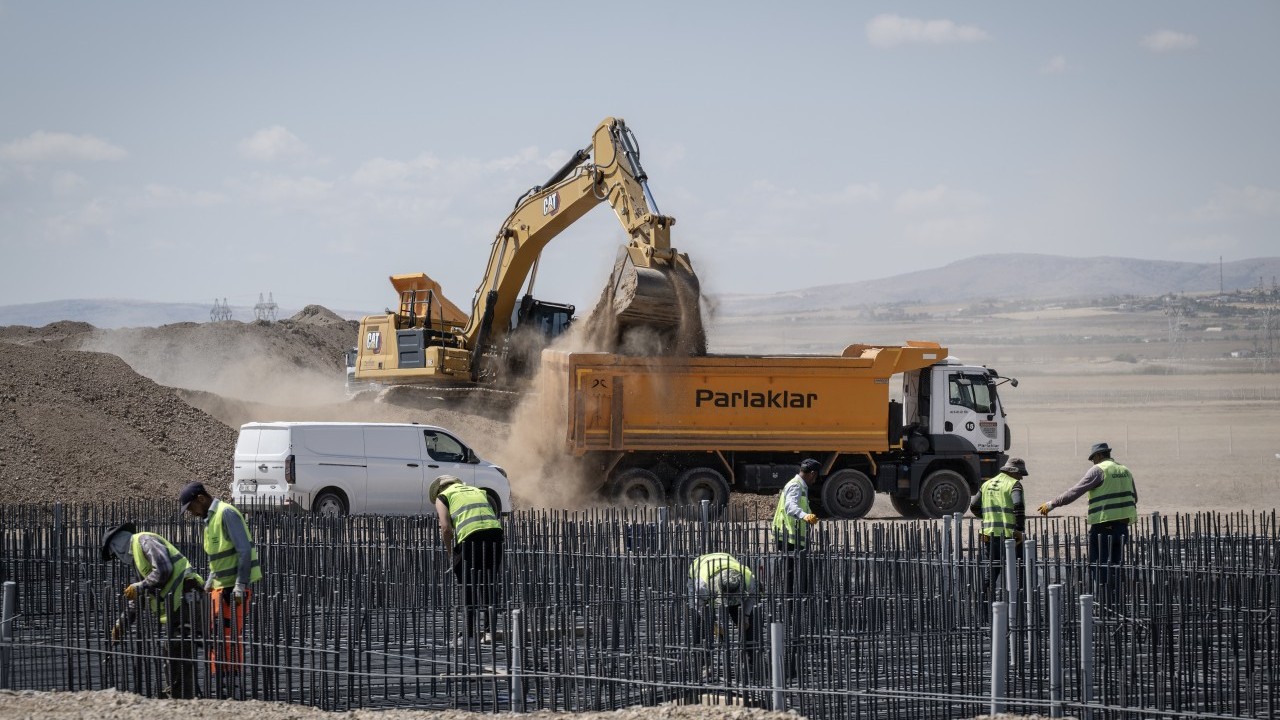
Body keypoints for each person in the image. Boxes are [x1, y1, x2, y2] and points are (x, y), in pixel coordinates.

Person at [100, 521, 202, 699]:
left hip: (186, 598)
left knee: (177, 649)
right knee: (172, 651)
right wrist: (121, 625)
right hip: (176, 606)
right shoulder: (139, 561)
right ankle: (177, 696)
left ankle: (182, 699)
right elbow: (140, 599)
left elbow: (164, 569)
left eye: (115, 555)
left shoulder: (144, 541)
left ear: (117, 545)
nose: (118, 559)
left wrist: (139, 586)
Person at [180, 482, 262, 695]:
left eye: (190, 508)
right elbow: (219, 559)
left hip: (232, 591)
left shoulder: (226, 513)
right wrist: (209, 582)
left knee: (228, 639)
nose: (191, 513)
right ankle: (220, 686)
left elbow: (244, 551)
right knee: (216, 639)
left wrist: (239, 585)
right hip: (219, 588)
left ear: (201, 499)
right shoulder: (209, 520)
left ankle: (231, 689)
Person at [1038, 442, 1138, 592]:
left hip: (1103, 527)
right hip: (1122, 528)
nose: (1093, 462)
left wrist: (1052, 504)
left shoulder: (1098, 470)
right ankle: (1117, 602)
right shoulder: (1125, 470)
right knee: (1117, 567)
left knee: (1100, 566)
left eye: (1093, 459)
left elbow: (1075, 492)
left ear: (1098, 456)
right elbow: (1134, 498)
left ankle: (1105, 603)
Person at [430, 474, 504, 645]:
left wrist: (451, 554)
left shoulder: (443, 497)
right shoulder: (477, 490)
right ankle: (489, 631)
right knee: (489, 583)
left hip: (470, 538)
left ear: (439, 490)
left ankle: (469, 635)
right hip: (495, 535)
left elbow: (446, 528)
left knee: (468, 584)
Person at [969, 457, 1030, 600]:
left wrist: (989, 517)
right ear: (1013, 471)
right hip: (1010, 537)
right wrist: (1019, 529)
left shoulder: (987, 484)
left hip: (989, 537)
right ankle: (1019, 605)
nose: (1021, 477)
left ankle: (984, 610)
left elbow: (973, 506)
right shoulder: (1014, 484)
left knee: (990, 574)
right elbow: (1018, 505)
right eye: (1020, 473)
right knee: (1020, 571)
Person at [771, 458, 821, 595]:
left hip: (795, 537)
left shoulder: (800, 486)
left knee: (799, 571)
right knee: (791, 573)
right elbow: (790, 507)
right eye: (815, 476)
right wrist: (804, 516)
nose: (815, 481)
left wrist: (809, 515)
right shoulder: (795, 486)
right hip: (788, 537)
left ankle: (797, 603)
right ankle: (791, 605)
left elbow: (800, 506)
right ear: (812, 473)